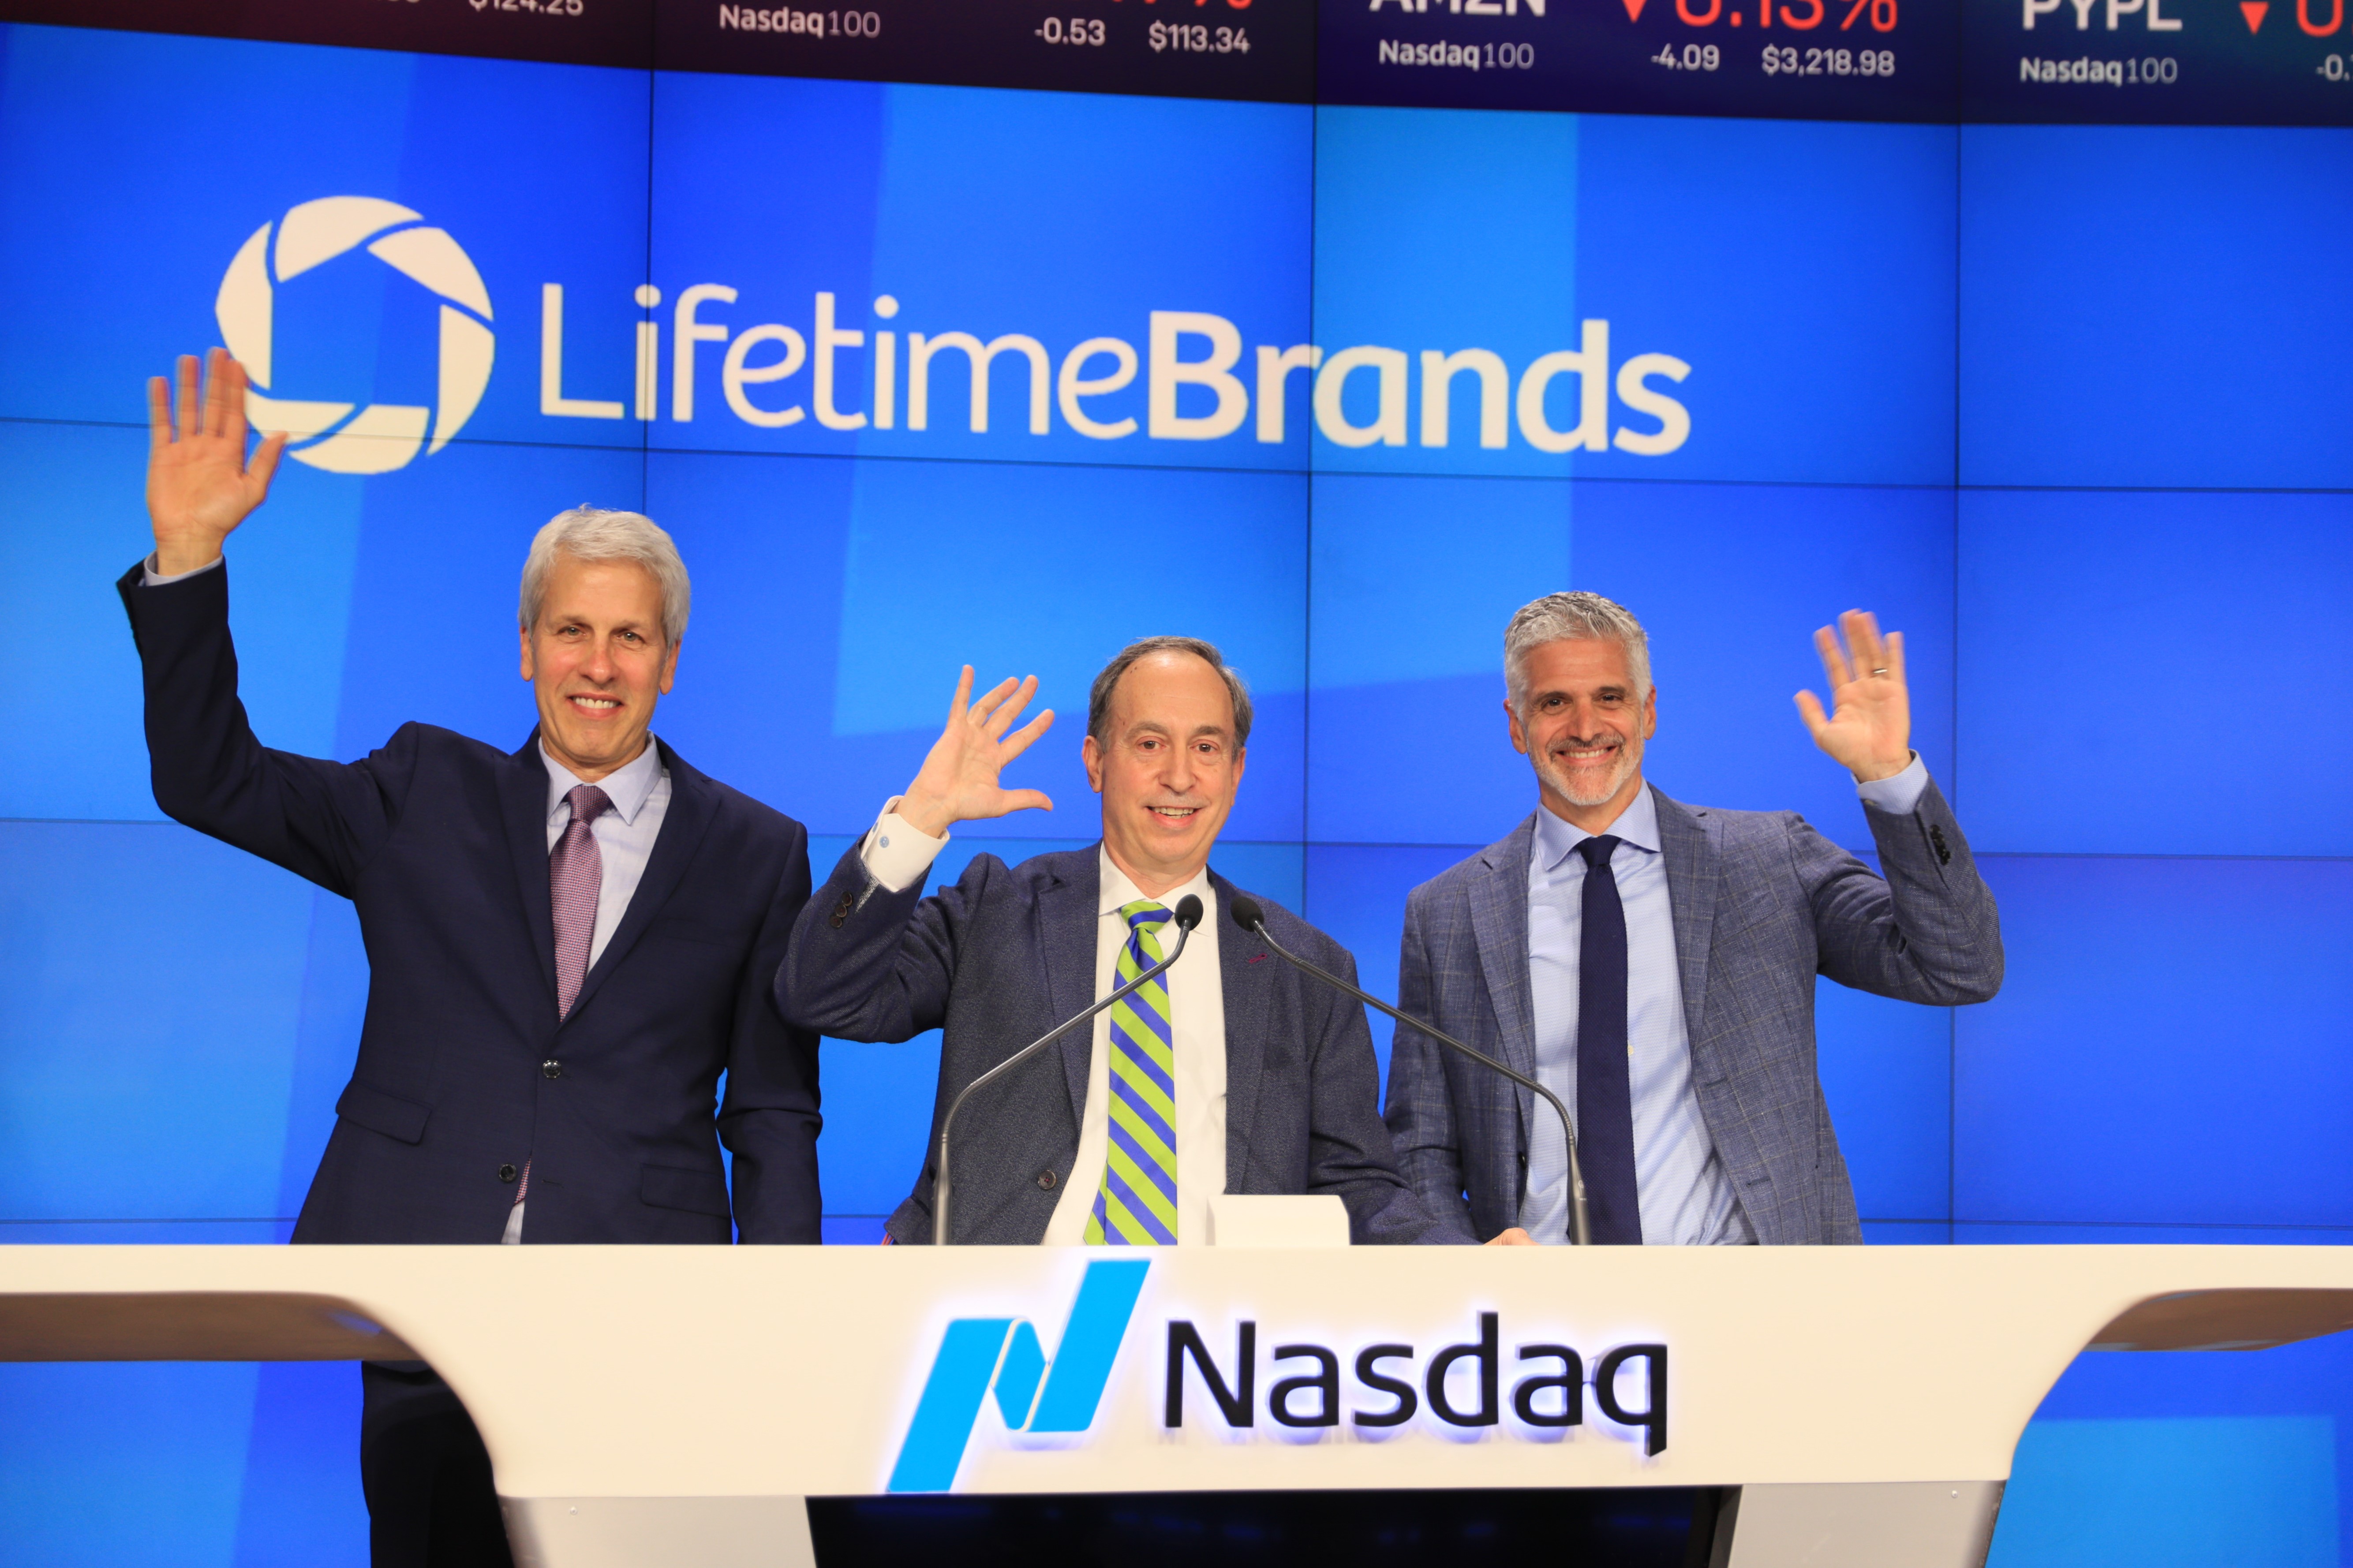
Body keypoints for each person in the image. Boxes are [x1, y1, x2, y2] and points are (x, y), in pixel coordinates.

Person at [121, 350, 823, 1566]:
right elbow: (209, 777)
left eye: (629, 638)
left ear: (669, 657)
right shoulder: (420, 786)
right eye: (571, 631)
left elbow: (771, 1110)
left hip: (639, 1306)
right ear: (525, 647)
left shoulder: (758, 848)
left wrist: (783, 1327)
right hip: (425, 1297)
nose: (598, 665)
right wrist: (190, 559)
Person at [779, 636, 1445, 1246]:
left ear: (1237, 770)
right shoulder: (999, 909)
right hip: (997, 1303)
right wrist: (922, 816)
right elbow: (822, 997)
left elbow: (1359, 1187)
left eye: (1207, 747)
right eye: (1150, 744)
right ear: (1096, 761)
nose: (1180, 777)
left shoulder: (1305, 967)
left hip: (1217, 1333)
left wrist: (1461, 1262)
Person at [1384, 591, 2002, 1248]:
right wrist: (1461, 1265)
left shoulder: (1769, 860)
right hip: (1546, 1321)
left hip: (1757, 1305)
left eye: (1611, 698)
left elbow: (1958, 966)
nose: (1586, 726)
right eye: (1555, 702)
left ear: (1649, 712)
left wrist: (1889, 778)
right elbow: (1419, 1147)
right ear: (1517, 725)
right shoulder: (1447, 913)